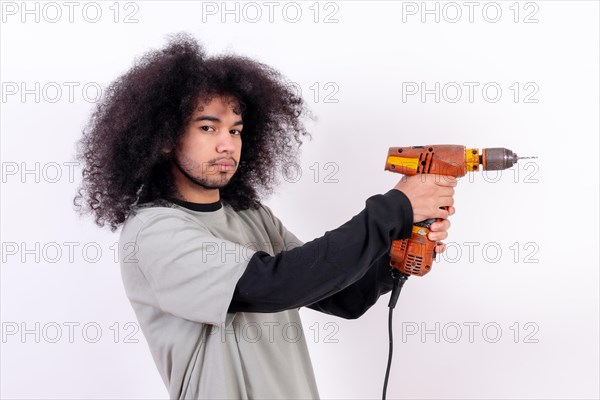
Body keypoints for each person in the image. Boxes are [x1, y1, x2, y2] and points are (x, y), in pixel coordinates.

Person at [74, 32, 457, 399]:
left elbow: (339, 295)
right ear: (165, 139)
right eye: (208, 127)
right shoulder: (153, 231)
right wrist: (395, 206)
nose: (228, 144)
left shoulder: (250, 215)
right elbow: (275, 285)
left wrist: (392, 257)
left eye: (236, 130)